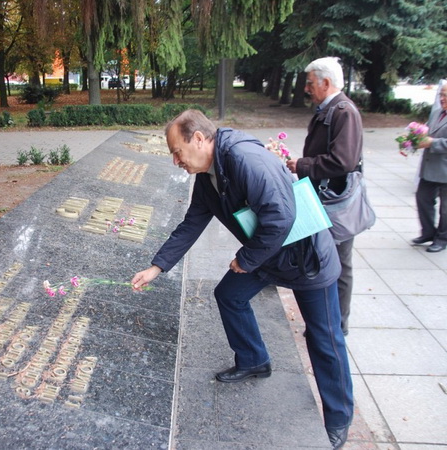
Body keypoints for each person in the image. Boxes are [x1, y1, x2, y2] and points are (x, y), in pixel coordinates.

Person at [131, 109, 353, 449]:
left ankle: (338, 419)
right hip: (268, 252)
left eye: (177, 151)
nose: (175, 160)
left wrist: (246, 260)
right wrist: (157, 267)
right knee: (229, 295)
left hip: (306, 257)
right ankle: (254, 360)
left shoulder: (246, 159)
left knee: (325, 339)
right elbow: (191, 224)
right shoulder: (207, 176)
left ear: (200, 139)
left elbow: (281, 218)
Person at [286, 56, 364, 336]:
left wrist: (303, 165)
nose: (306, 89)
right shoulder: (329, 109)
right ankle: (325, 321)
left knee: (339, 264)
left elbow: (343, 161)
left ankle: (337, 327)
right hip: (324, 197)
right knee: (323, 257)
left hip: (337, 202)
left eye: (310, 83)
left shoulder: (344, 111)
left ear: (326, 83)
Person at [413, 83, 447, 253]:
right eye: (441, 94)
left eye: (446, 95)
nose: (442, 98)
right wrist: (414, 138)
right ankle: (428, 233)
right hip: (429, 167)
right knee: (423, 199)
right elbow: (425, 131)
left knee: (445, 208)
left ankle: (442, 238)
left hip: (445, 169)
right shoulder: (437, 112)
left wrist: (432, 143)